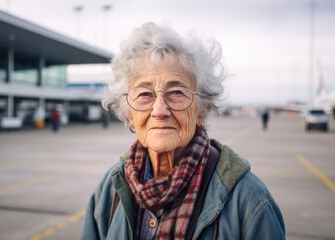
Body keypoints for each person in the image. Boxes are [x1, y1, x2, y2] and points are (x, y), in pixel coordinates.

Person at [81, 22, 285, 240]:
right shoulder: (109, 189)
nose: (159, 111)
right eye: (144, 94)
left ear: (202, 109)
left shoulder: (250, 201)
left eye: (176, 92)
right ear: (130, 112)